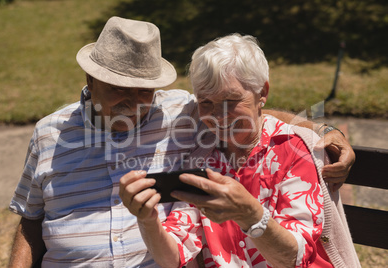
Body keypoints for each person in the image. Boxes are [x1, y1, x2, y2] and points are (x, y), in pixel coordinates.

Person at [8, 17, 354, 267]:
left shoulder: (182, 114)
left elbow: (248, 112)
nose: (134, 102)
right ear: (91, 79)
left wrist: (322, 130)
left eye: (144, 90)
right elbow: (30, 218)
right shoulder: (50, 133)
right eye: (118, 89)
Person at [119, 34, 360, 267]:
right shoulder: (202, 159)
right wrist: (147, 220)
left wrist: (251, 214)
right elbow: (174, 257)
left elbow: (292, 259)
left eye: (231, 101)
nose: (219, 116)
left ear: (262, 93)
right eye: (206, 103)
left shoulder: (294, 149)